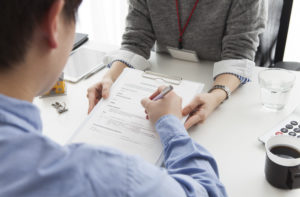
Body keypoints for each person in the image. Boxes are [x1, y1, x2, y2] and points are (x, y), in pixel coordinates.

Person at [0, 0, 229, 197]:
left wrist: (217, 94)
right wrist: (170, 123)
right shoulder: (113, 180)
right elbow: (209, 193)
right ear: (53, 24)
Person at [87, 0, 267, 129]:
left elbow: (238, 53)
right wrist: (110, 77)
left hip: (216, 78)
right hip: (165, 76)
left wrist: (216, 96)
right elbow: (136, 39)